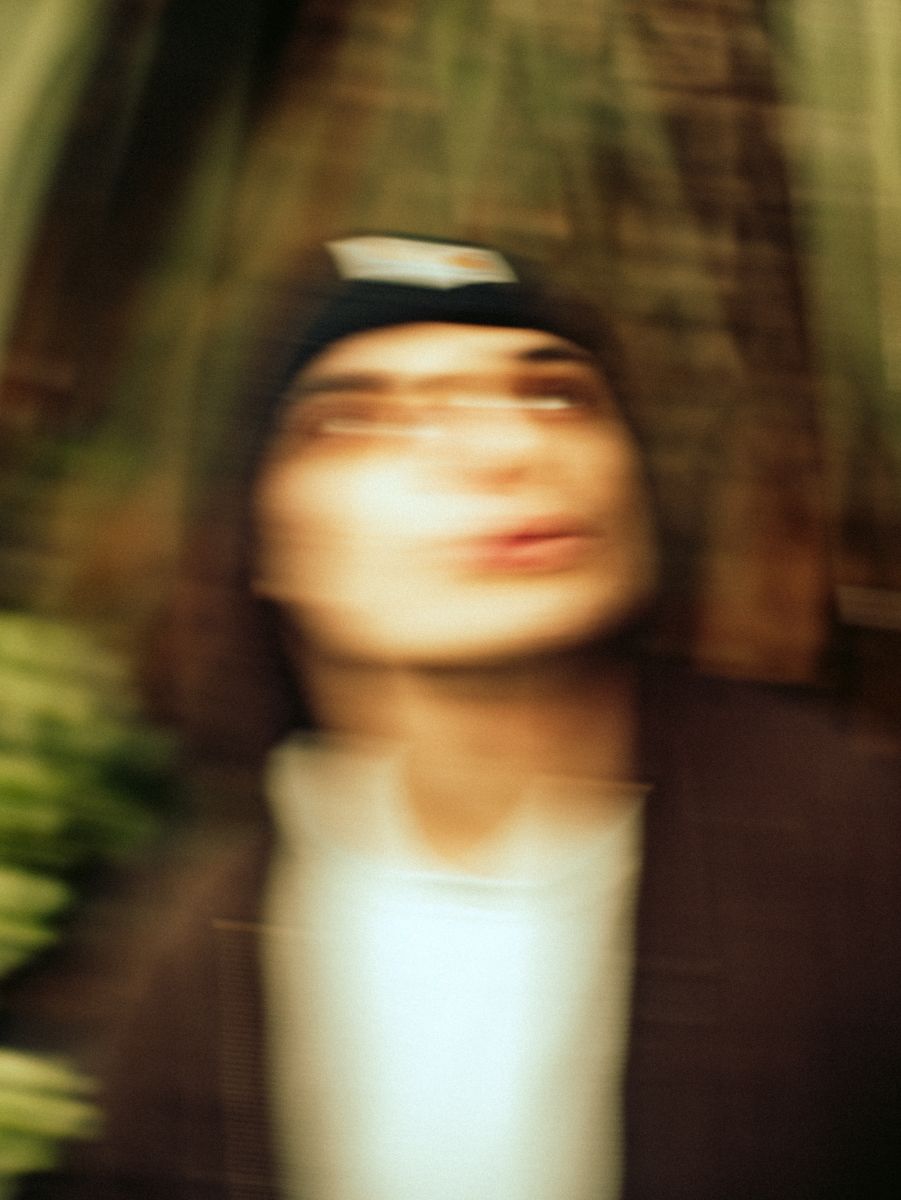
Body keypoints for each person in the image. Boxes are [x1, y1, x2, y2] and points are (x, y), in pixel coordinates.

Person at [40, 235, 901, 1200]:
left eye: (554, 395)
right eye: (361, 418)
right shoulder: (197, 962)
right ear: (266, 537)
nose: (503, 449)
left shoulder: (855, 860)